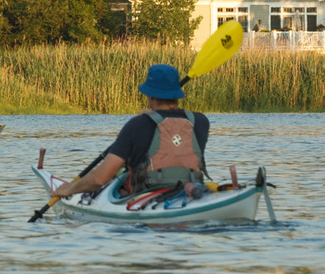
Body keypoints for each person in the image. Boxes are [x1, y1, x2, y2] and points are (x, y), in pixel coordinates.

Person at [52, 64, 209, 204]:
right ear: (176, 94)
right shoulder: (200, 122)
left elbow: (101, 178)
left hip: (147, 197)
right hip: (190, 191)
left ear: (150, 95)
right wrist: (153, 117)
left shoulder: (137, 125)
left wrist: (70, 189)